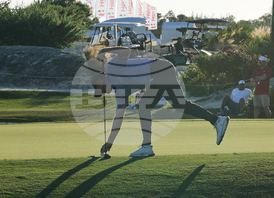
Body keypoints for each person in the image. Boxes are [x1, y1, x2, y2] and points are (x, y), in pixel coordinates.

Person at [97, 47, 229, 158]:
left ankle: (147, 147)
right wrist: (110, 142)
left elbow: (126, 51)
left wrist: (105, 49)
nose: (102, 91)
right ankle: (217, 120)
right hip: (158, 75)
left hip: (160, 68)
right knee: (179, 105)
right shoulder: (119, 92)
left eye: (100, 87)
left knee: (145, 105)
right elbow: (119, 117)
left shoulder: (112, 66)